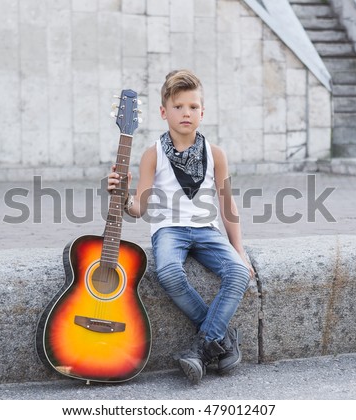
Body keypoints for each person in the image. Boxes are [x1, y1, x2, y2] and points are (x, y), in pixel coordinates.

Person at [107, 70, 254, 384]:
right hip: (169, 230)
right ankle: (222, 339)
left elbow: (227, 205)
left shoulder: (216, 154)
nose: (186, 112)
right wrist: (122, 195)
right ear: (163, 112)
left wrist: (239, 249)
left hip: (207, 230)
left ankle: (201, 348)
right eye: (178, 107)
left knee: (239, 272)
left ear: (203, 112)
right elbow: (138, 209)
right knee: (170, 271)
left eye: (193, 106)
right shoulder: (152, 155)